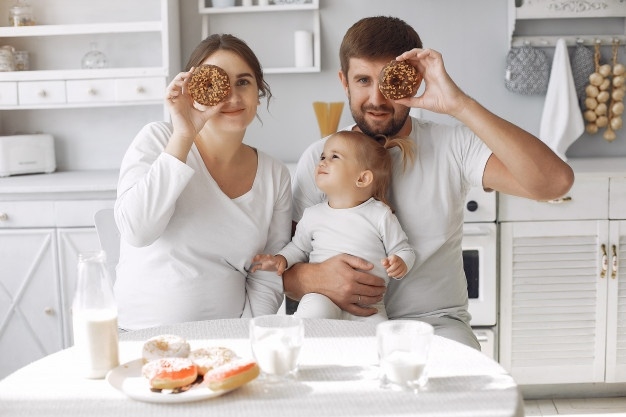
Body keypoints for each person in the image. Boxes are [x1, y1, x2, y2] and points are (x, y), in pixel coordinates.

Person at [283, 16, 574, 349]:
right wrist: (313, 277)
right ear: (344, 82)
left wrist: (459, 105)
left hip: (436, 328)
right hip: (342, 325)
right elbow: (285, 267)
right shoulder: (319, 158)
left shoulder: (454, 146)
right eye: (363, 80)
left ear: (414, 82)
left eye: (388, 81)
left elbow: (555, 182)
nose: (376, 98)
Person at [113, 34, 292, 331]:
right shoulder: (158, 139)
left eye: (243, 82)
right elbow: (137, 231)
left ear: (258, 90)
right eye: (217, 83)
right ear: (193, 89)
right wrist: (184, 134)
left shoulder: (275, 174)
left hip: (230, 341)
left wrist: (247, 333)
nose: (233, 97)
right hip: (142, 336)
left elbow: (268, 271)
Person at [251, 130, 416, 323]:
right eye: (322, 156)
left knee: (377, 341)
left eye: (334, 157)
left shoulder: (380, 214)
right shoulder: (312, 215)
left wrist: (401, 263)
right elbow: (298, 248)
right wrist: (281, 260)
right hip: (322, 296)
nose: (322, 161)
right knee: (314, 314)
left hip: (370, 306)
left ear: (362, 178)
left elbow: (404, 249)